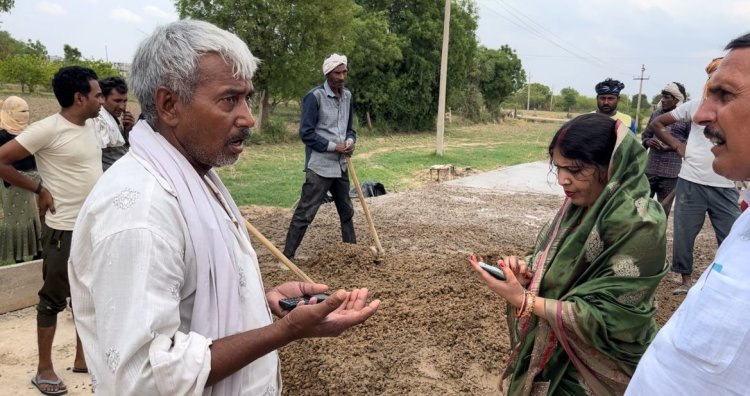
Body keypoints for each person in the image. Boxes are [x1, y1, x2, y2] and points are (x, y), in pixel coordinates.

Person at [68, 20, 379, 395]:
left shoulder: (194, 177)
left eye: (247, 97)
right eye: (229, 99)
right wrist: (285, 331)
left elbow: (190, 297)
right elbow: (145, 379)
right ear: (169, 105)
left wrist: (261, 303)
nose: (248, 117)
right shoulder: (141, 213)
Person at [469, 113, 667, 395]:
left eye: (574, 170)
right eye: (558, 168)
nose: (563, 180)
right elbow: (558, 260)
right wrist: (526, 269)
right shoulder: (580, 206)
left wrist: (524, 301)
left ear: (611, 166)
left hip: (599, 362)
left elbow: (613, 318)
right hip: (556, 347)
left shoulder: (639, 223)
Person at [625, 33, 750, 396]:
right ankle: (682, 276)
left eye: (725, 94)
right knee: (684, 233)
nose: (701, 114)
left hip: (717, 187)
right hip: (693, 177)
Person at [0, 66, 103, 395]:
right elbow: (1, 159)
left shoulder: (91, 126)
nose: (101, 100)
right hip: (63, 230)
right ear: (79, 97)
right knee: (53, 300)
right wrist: (38, 189)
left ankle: (82, 358)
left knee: (88, 296)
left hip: (91, 228)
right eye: (97, 94)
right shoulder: (47, 129)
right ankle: (44, 369)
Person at [644, 58, 739, 295]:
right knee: (684, 233)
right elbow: (658, 124)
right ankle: (685, 281)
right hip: (691, 180)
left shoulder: (739, 110)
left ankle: (725, 280)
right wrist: (678, 146)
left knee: (731, 236)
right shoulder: (696, 106)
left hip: (725, 183)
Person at [282, 53, 357, 260]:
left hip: (341, 165)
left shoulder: (348, 96)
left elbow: (350, 129)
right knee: (305, 213)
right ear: (328, 74)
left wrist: (350, 142)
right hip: (320, 167)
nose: (341, 77)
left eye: (344, 72)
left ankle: (352, 254)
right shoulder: (314, 97)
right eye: (337, 73)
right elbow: (306, 133)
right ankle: (287, 258)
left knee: (347, 212)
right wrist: (334, 147)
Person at [0, 96, 42, 263]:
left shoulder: (29, 131)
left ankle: (37, 251)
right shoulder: (2, 135)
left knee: (35, 218)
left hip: (35, 180)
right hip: (13, 183)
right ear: (9, 112)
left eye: (27, 111)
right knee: (18, 221)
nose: (25, 114)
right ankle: (19, 257)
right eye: (20, 111)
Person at [640, 82, 690, 217]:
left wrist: (671, 146)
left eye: (667, 97)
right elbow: (645, 136)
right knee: (641, 208)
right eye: (663, 96)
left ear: (677, 99)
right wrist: (648, 141)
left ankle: (658, 237)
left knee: (663, 212)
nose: (663, 99)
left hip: (671, 173)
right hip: (650, 169)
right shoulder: (656, 114)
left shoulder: (686, 118)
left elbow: (691, 142)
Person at [90, 76, 134, 171]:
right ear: (102, 98)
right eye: (117, 101)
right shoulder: (98, 121)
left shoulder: (113, 119)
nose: (122, 107)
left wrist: (128, 130)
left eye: (125, 101)